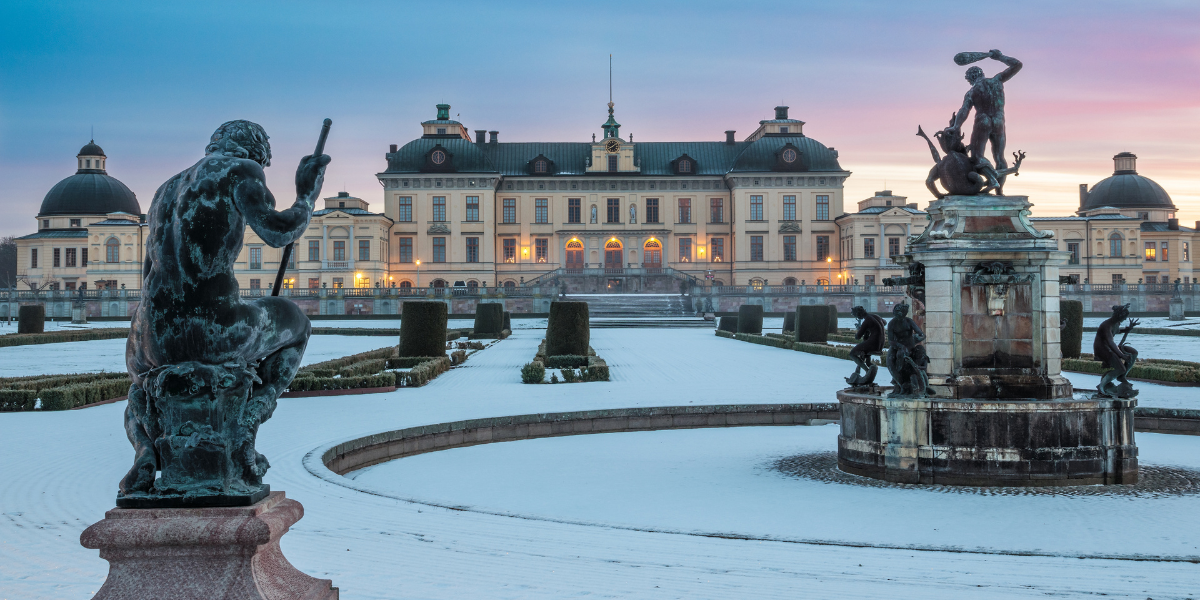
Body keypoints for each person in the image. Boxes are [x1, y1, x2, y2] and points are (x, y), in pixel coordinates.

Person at [121, 120, 329, 496]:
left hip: (155, 336)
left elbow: (151, 272)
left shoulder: (165, 188)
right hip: (214, 328)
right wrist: (306, 196)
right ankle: (252, 415)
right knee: (296, 323)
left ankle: (145, 450)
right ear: (258, 152)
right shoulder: (242, 170)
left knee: (140, 387)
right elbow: (278, 231)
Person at [951, 49, 1022, 194]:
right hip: (999, 121)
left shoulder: (972, 92)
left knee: (977, 156)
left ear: (970, 78)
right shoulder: (997, 80)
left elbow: (964, 111)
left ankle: (992, 179)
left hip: (983, 120)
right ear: (982, 73)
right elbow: (1017, 65)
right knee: (999, 157)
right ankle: (999, 191)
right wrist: (1000, 57)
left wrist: (956, 126)